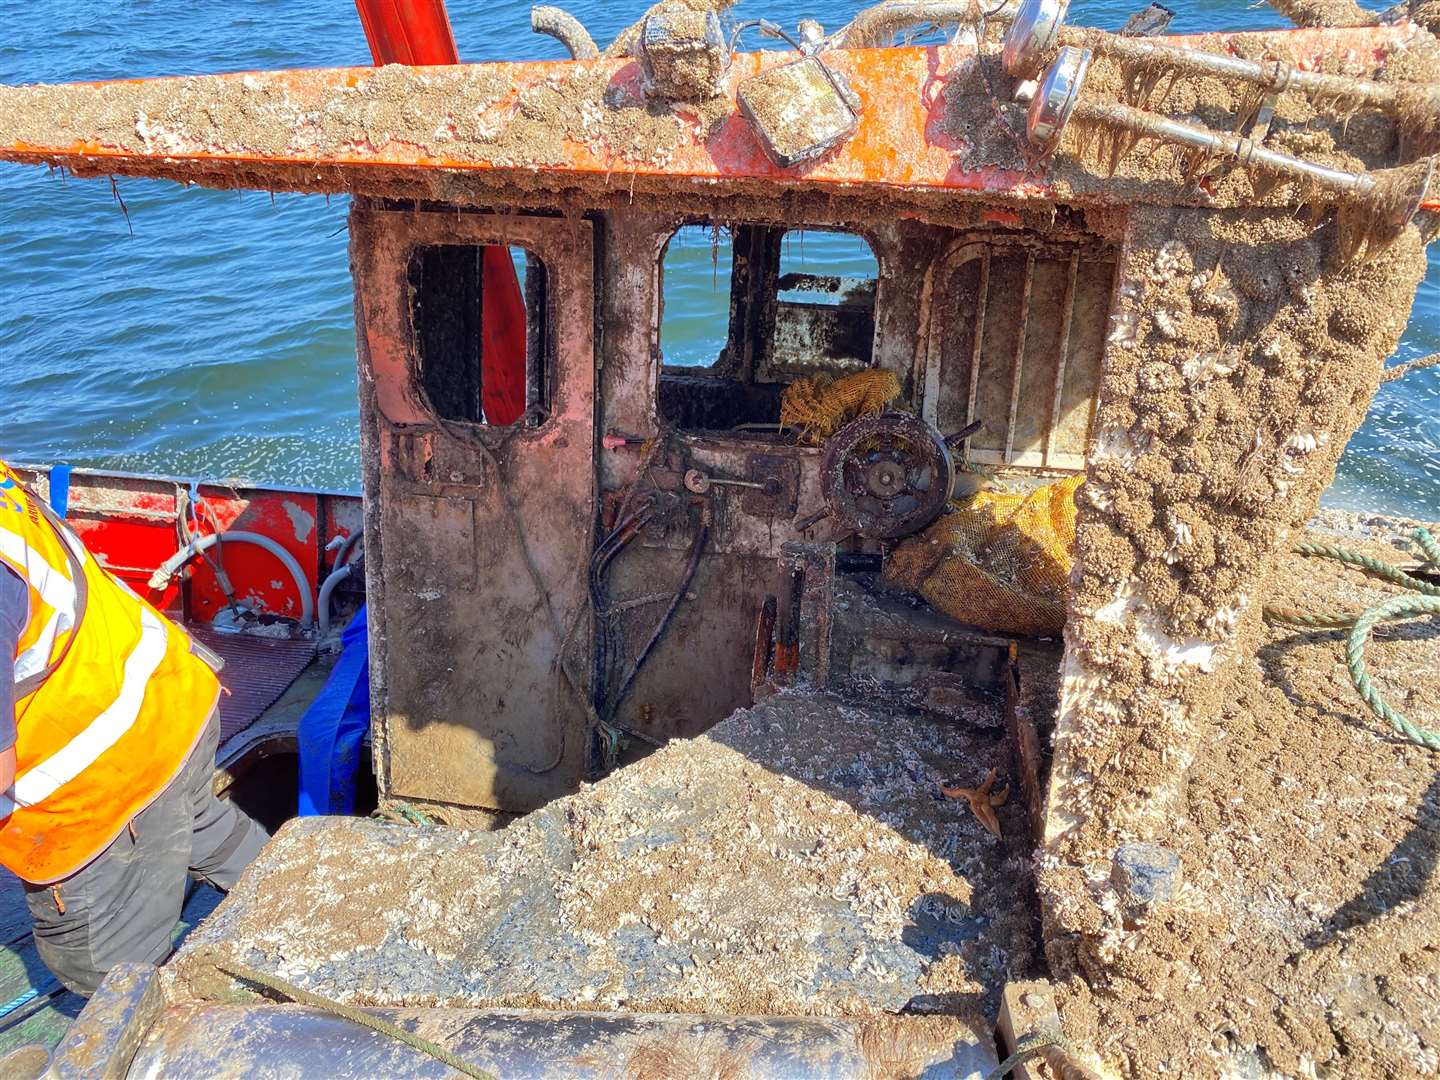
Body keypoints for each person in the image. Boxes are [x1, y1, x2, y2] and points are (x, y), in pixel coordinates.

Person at [0, 459, 268, 995]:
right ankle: (291, 907)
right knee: (201, 825)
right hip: (170, 693)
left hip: (101, 779)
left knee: (106, 971)